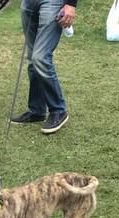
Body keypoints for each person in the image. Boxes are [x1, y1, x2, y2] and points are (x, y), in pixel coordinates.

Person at [10, 0, 76, 135]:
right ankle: (37, 110)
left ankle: (58, 110)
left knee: (40, 58)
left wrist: (70, 4)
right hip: (28, 3)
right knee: (32, 59)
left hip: (53, 3)